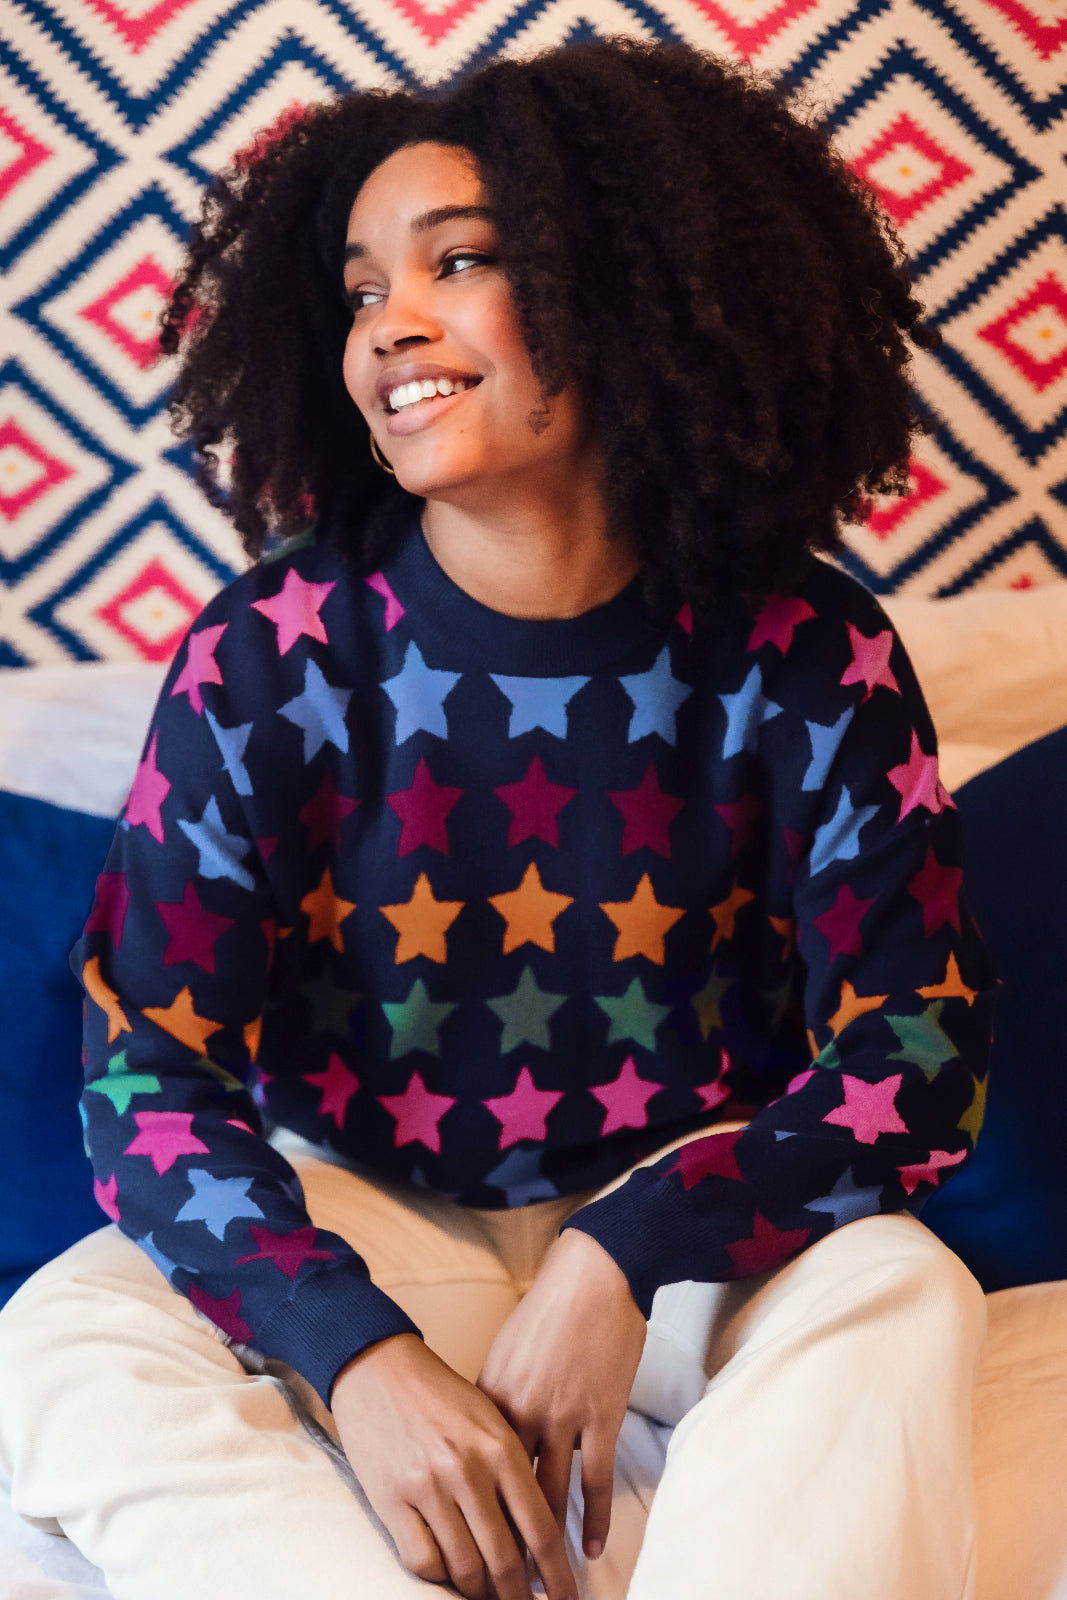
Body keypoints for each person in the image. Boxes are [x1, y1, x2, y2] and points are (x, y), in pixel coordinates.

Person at [0, 36, 995, 1600]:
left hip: (685, 1249)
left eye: (456, 261)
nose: (388, 321)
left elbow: (917, 1061)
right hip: (371, 1226)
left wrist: (628, 1247)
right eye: (357, 288)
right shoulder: (266, 657)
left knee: (906, 1295)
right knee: (60, 1345)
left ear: (632, 291)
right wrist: (357, 1359)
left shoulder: (813, 653)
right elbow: (146, 1081)